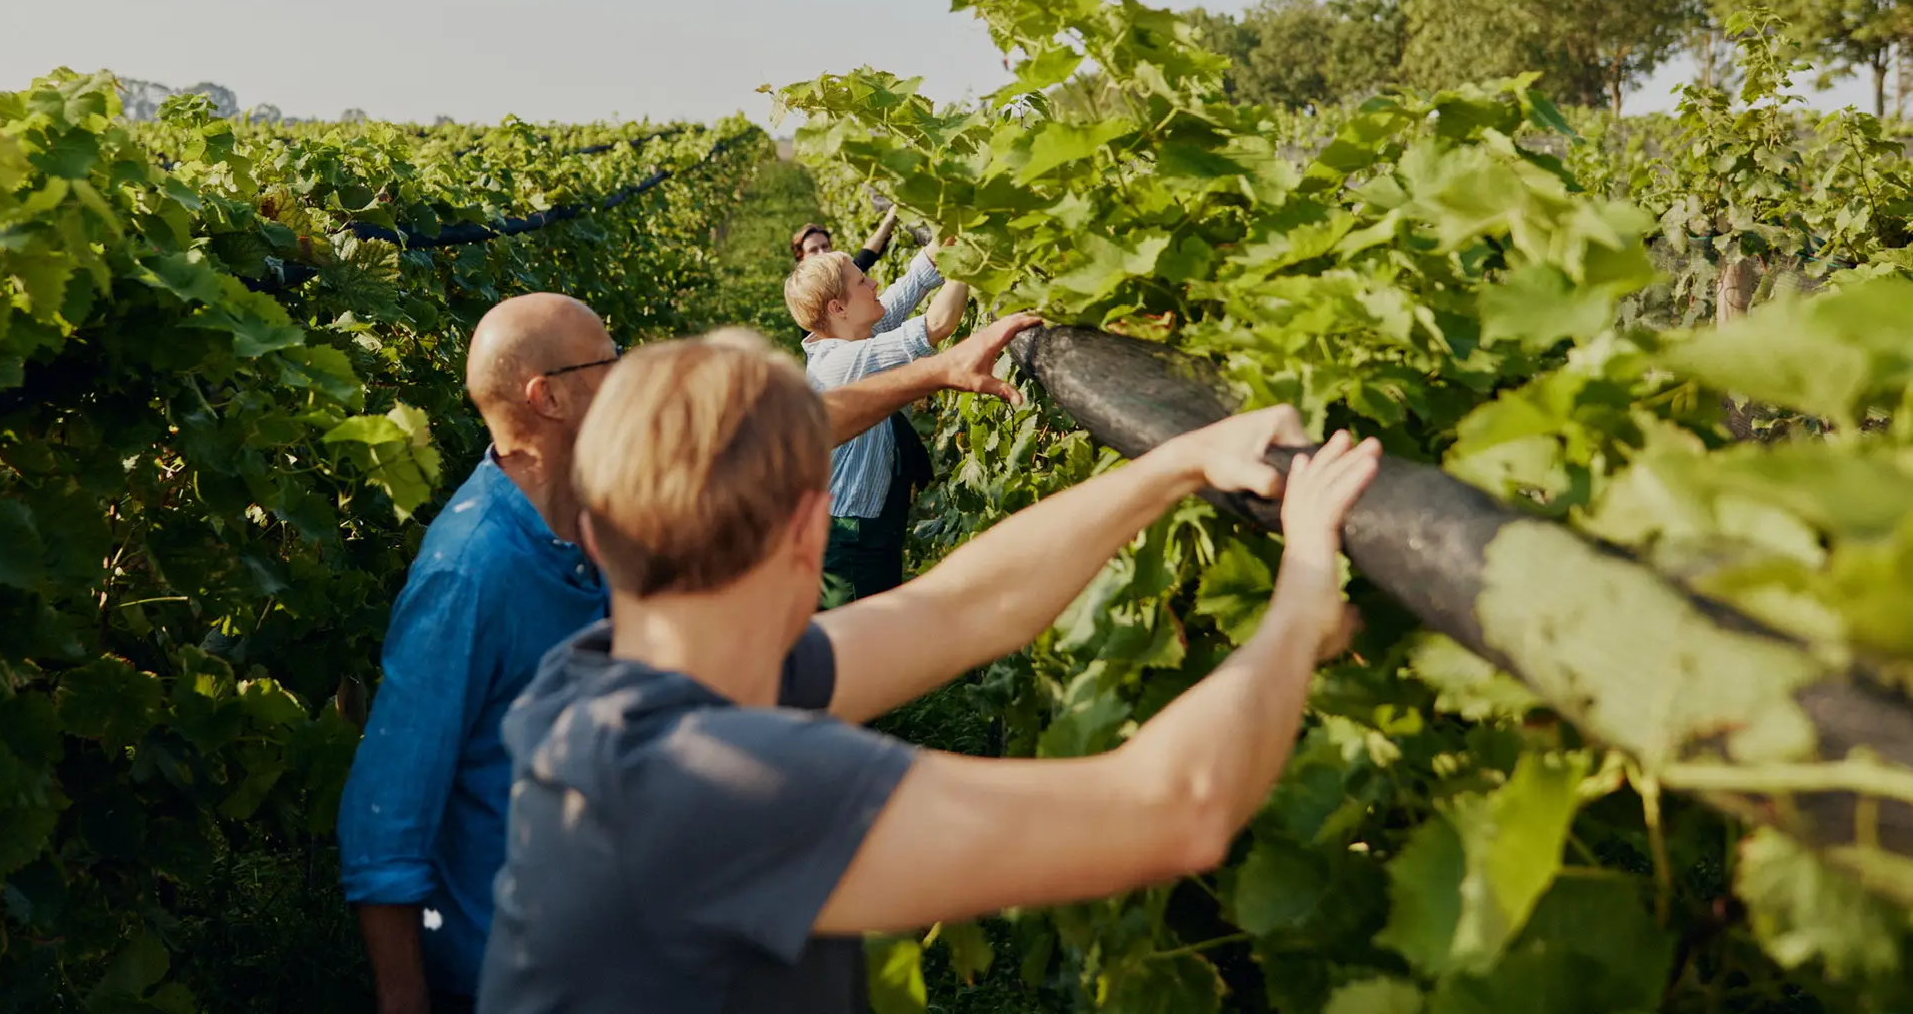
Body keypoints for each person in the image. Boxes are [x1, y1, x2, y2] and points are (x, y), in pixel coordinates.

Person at [479, 330, 1378, 1011]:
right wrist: (1303, 591)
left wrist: (1179, 462)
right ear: (810, 532)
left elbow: (959, 609)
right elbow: (1175, 811)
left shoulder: (605, 688)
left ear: (596, 536)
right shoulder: (713, 785)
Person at [338, 294, 1042, 1014]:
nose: (625, 370)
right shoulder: (470, 572)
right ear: (546, 397)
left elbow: (777, 437)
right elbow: (386, 820)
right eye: (606, 359)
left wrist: (935, 371)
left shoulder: (603, 492)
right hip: (500, 974)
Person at [783, 247, 962, 599]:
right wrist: (969, 264)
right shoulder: (841, 363)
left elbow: (910, 285)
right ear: (839, 308)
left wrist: (944, 239)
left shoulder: (852, 332)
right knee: (860, 640)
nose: (874, 281)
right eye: (863, 281)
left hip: (866, 526)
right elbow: (938, 325)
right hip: (849, 542)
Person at [790, 199, 898, 271]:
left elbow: (864, 259)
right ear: (801, 258)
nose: (822, 252)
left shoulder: (839, 277)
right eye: (813, 250)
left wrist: (889, 221)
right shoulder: (806, 294)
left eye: (825, 246)